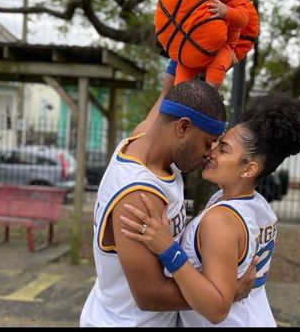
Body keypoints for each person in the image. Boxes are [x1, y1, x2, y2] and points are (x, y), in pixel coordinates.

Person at [120, 93, 300, 326]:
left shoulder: (221, 221)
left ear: (248, 169)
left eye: (223, 150)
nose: (211, 152)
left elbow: (216, 309)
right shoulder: (256, 205)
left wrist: (167, 248)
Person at [79, 79, 256, 327]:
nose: (210, 153)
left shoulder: (141, 141)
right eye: (207, 142)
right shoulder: (139, 196)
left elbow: (168, 96)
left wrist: (181, 63)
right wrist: (225, 295)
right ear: (183, 127)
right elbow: (149, 295)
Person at [156, 0, 259, 89]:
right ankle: (180, 93)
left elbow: (243, 20)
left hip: (222, 48)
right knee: (183, 68)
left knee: (218, 65)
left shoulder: (238, 2)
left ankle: (209, 92)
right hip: (194, 43)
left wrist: (226, 11)